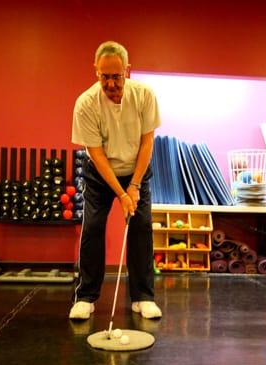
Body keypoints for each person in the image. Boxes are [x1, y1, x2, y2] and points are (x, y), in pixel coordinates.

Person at [69, 41, 162, 320]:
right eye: (104, 76)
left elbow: (148, 143)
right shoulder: (86, 103)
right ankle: (85, 297)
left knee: (141, 226)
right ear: (96, 71)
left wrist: (132, 187)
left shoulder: (144, 95)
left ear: (127, 71)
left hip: (136, 170)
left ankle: (143, 297)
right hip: (101, 173)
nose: (111, 83)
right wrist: (120, 194)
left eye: (116, 76)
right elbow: (94, 153)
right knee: (94, 226)